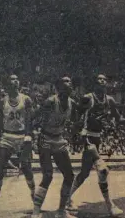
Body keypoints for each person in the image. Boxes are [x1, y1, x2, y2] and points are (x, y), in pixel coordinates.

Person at [67, 73, 123, 216]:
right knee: (102, 170)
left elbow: (117, 116)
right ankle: (110, 206)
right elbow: (75, 114)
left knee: (84, 173)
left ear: (106, 83)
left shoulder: (109, 100)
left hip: (97, 138)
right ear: (95, 83)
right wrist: (78, 131)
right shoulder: (88, 98)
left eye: (104, 79)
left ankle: (66, 198)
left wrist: (114, 121)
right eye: (99, 79)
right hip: (87, 137)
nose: (102, 81)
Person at [0, 74, 35, 217]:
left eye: (17, 79)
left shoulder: (26, 99)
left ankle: (35, 202)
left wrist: (28, 134)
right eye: (12, 79)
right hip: (7, 136)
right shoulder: (3, 101)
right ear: (8, 84)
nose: (16, 80)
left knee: (26, 168)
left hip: (22, 136)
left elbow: (29, 120)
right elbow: (0, 120)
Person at [32, 76, 77, 218]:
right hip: (45, 138)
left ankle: (61, 211)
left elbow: (76, 121)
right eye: (66, 81)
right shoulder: (51, 101)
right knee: (48, 175)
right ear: (59, 88)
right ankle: (36, 212)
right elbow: (34, 116)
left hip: (59, 139)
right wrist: (29, 134)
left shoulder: (72, 104)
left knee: (69, 175)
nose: (69, 84)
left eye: (70, 82)